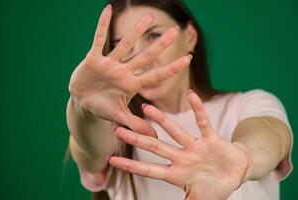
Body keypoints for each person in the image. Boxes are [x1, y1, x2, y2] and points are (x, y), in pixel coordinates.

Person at [65, 0, 294, 199]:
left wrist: (244, 159)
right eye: (121, 44)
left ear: (190, 37)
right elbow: (89, 150)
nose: (142, 59)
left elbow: (269, 136)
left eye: (154, 36)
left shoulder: (248, 105)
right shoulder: (116, 129)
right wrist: (83, 106)